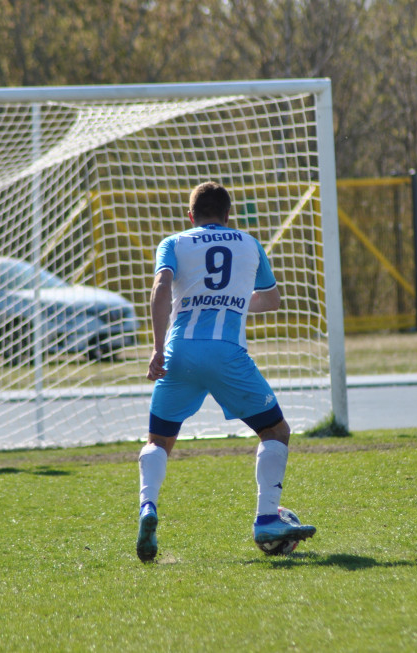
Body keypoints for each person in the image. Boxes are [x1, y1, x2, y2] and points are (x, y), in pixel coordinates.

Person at [137, 181, 316, 561]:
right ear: (228, 215)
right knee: (276, 431)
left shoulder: (173, 243)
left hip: (179, 353)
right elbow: (272, 300)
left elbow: (161, 287)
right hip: (227, 353)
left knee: (158, 442)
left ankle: (147, 508)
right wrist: (229, 301)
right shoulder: (249, 243)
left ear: (191, 215)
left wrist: (157, 349)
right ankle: (267, 519)